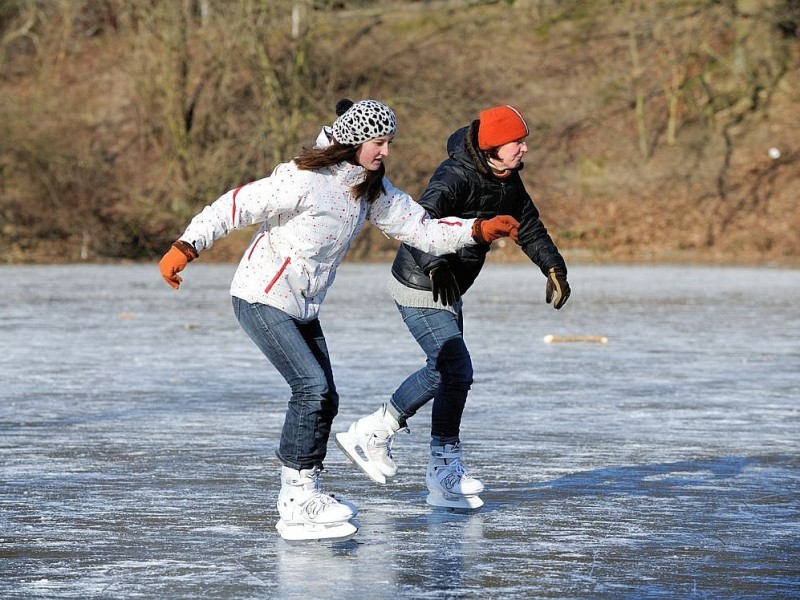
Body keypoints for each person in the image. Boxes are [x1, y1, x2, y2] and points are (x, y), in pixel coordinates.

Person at [157, 98, 520, 541]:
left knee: (326, 397)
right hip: (261, 295)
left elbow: (422, 228)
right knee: (311, 388)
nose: (385, 151)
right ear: (352, 141)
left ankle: (306, 492)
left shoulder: (371, 190)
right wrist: (185, 246)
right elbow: (234, 205)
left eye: (388, 143)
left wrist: (477, 230)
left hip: (302, 304)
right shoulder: (303, 180)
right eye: (378, 143)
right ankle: (295, 499)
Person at [336, 104, 570, 510]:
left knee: (447, 373)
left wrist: (554, 267)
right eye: (518, 142)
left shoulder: (508, 181)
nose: (525, 149)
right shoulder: (453, 176)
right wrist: (435, 264)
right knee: (455, 369)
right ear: (494, 147)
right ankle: (416, 453)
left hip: (451, 288)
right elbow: (418, 221)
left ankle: (413, 455)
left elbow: (528, 225)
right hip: (420, 280)